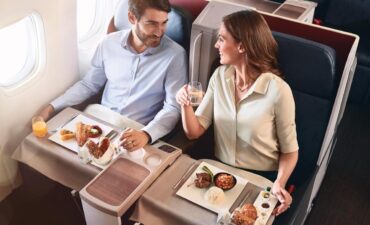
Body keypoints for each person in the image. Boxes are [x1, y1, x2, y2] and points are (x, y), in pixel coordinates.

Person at [176, 10, 298, 216]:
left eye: (221, 39)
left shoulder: (278, 91)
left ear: (242, 46)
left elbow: (290, 151)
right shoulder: (220, 76)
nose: (216, 45)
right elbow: (193, 132)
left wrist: (280, 182)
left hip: (259, 177)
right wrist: (185, 104)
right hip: (219, 172)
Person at [39, 0, 187, 151]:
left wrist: (146, 134)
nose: (159, 32)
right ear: (131, 18)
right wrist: (51, 108)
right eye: (152, 23)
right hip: (100, 119)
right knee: (51, 149)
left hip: (135, 132)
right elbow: (89, 85)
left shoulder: (175, 55)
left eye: (164, 23)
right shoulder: (108, 43)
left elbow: (172, 107)